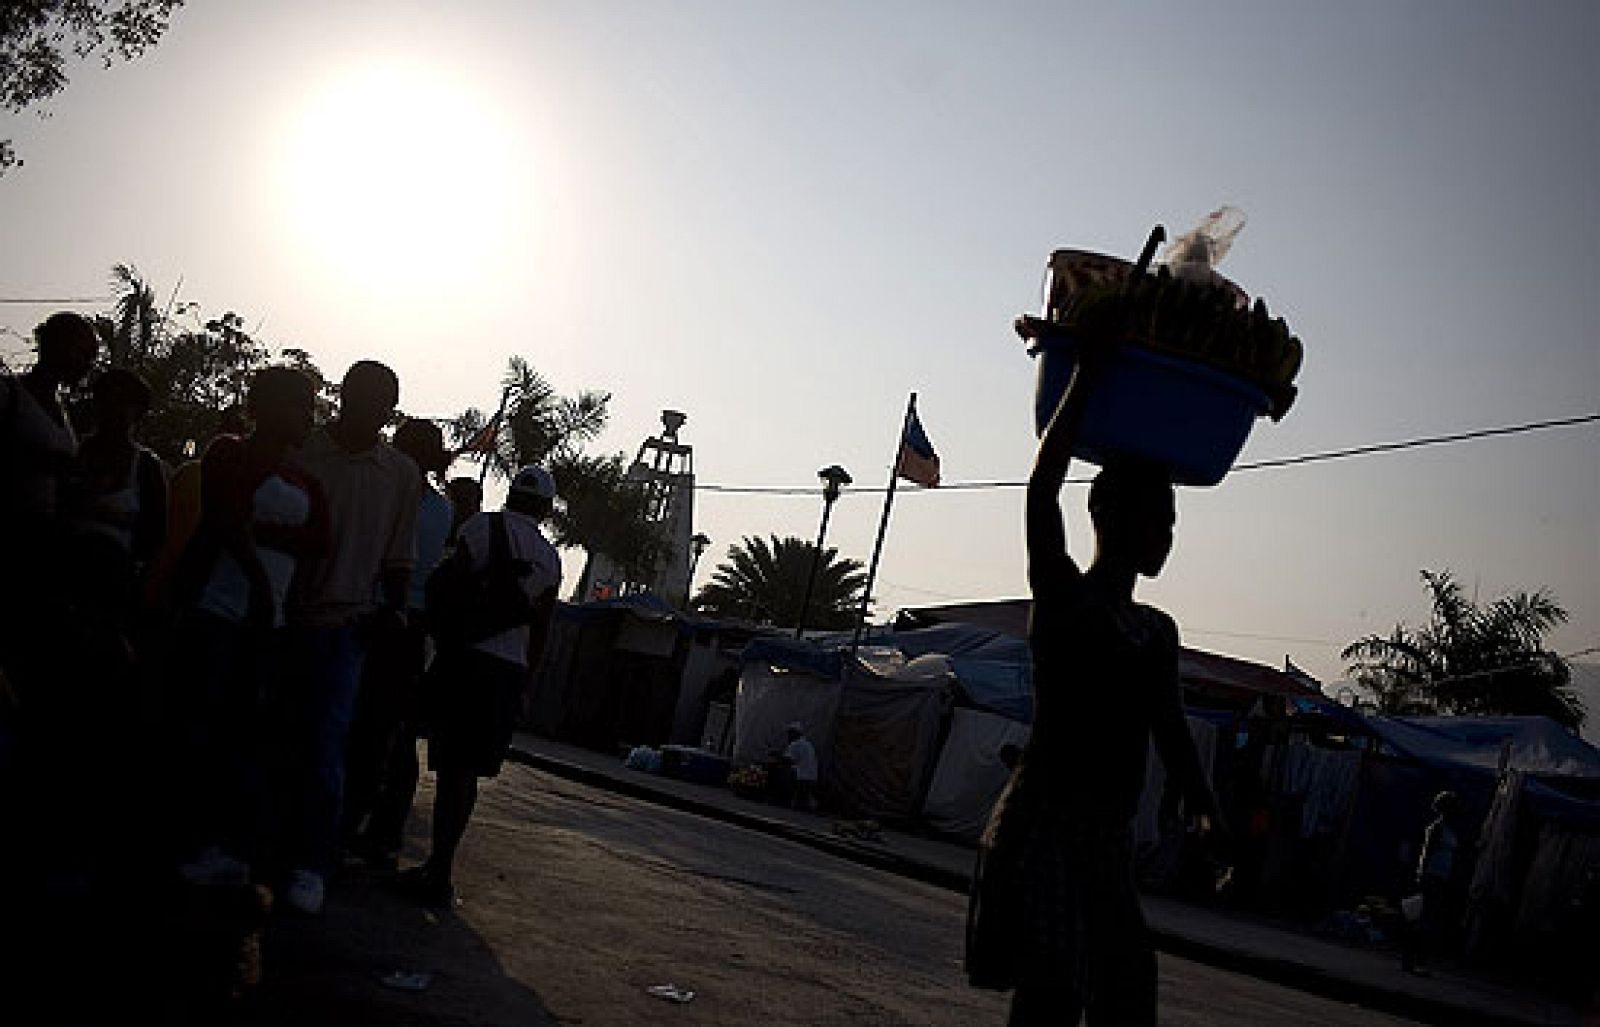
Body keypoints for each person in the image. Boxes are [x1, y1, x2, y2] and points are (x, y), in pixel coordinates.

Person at [965, 318, 1224, 1026]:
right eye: (1155, 516)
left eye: (1171, 521)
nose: (1165, 534)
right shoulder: (1062, 595)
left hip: (1106, 838)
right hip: (1046, 822)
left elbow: (1169, 728)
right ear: (1105, 513)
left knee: (1129, 981)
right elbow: (1041, 490)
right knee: (1048, 995)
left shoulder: (1156, 631)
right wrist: (1086, 373)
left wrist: (1203, 802)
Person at [168, 367, 326, 884]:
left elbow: (313, 551)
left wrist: (283, 606)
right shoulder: (229, 453)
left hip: (269, 624)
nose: (310, 416)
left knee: (244, 734)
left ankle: (222, 843)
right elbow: (225, 521)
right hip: (217, 608)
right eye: (302, 404)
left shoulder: (307, 482)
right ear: (273, 405)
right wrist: (260, 586)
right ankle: (182, 838)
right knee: (200, 726)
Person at [276, 360, 420, 914]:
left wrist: (392, 619)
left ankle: (311, 863)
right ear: (344, 396)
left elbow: (399, 560)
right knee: (271, 735)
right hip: (282, 615)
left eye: (384, 401)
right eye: (363, 397)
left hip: (346, 624)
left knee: (326, 750)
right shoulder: (301, 451)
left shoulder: (401, 474)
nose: (374, 410)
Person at [395, 464, 561, 906]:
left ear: (511, 496)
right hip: (505, 671)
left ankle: (430, 863)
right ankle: (441, 864)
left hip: (462, 658)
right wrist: (526, 682)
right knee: (465, 774)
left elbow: (447, 583)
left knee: (435, 756)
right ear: (545, 508)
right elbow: (541, 630)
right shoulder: (549, 558)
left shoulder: (480, 528)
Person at [343, 418, 456, 871]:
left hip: (376, 610)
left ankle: (352, 822)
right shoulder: (441, 508)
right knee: (395, 729)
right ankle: (382, 830)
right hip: (413, 621)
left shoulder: (391, 490)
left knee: (362, 725)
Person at [62, 367, 168, 629]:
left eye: (125, 401)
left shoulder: (145, 466)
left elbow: (155, 534)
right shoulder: (73, 452)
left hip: (116, 580)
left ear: (138, 411)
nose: (115, 408)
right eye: (108, 398)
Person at [1401, 790, 1464, 974]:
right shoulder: (1436, 828)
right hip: (1430, 877)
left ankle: (1416, 959)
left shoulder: (1450, 830)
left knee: (1427, 919)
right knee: (1421, 919)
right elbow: (1426, 853)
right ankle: (1411, 959)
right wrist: (1420, 876)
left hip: (1441, 878)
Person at [783, 722, 819, 811]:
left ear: (794, 734)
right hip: (813, 777)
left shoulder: (795, 744)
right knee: (805, 795)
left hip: (801, 778)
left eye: (790, 733)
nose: (788, 736)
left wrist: (777, 755)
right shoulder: (808, 744)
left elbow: (788, 760)